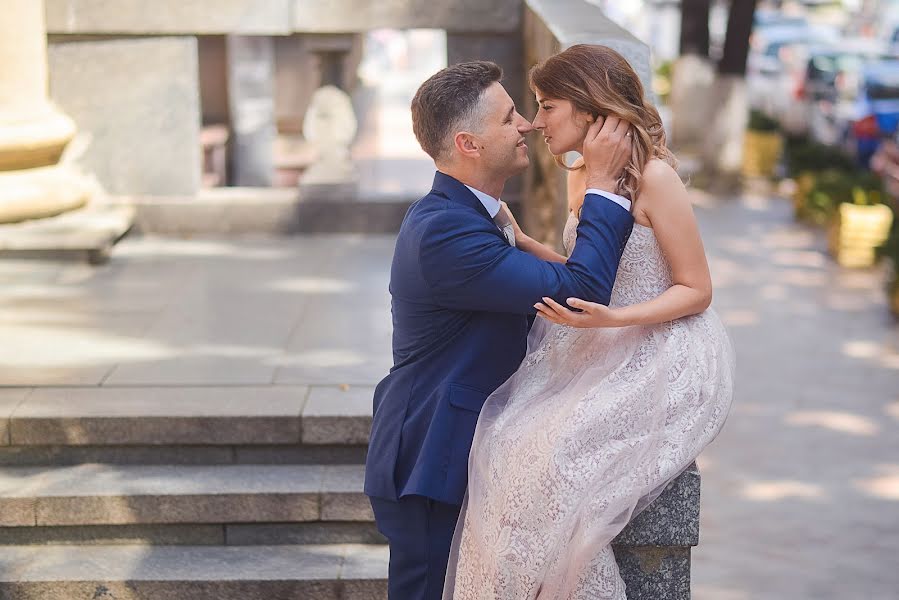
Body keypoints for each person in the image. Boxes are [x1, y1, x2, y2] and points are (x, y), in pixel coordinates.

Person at [442, 45, 736, 599]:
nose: (536, 123)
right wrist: (526, 245)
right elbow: (586, 273)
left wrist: (616, 319)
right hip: (600, 337)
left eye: (548, 106)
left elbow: (697, 289)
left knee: (559, 462)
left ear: (589, 108)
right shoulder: (583, 178)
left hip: (661, 347)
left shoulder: (656, 179)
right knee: (503, 441)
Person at [364, 60, 636, 600]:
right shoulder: (445, 231)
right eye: (510, 116)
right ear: (468, 143)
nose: (528, 126)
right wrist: (603, 185)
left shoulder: (471, 214)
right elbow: (580, 289)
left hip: (472, 448)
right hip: (434, 457)